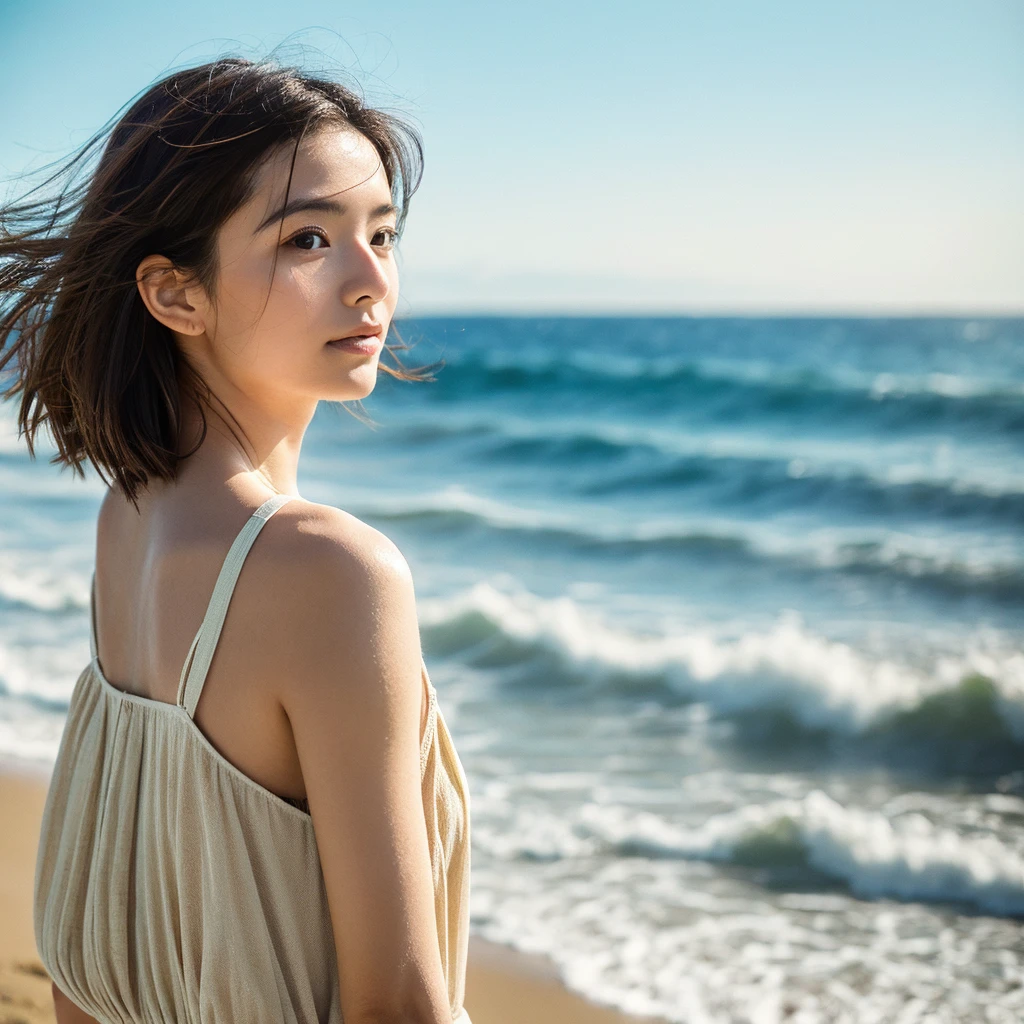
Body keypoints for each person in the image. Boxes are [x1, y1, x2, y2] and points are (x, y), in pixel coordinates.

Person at [0, 55, 472, 1024]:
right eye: (309, 239)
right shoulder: (329, 572)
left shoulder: (127, 519)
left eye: (381, 233)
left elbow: (89, 972)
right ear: (176, 294)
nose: (372, 281)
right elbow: (398, 1005)